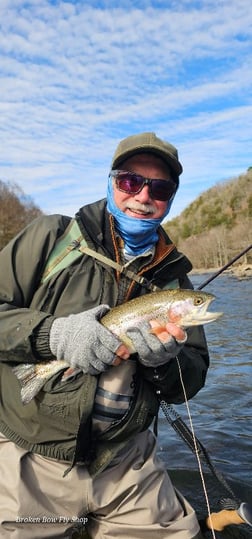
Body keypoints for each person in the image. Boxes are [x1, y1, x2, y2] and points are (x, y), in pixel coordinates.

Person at [0, 132, 209, 539]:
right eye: (131, 181)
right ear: (111, 182)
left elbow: (191, 380)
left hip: (129, 461)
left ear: (170, 199)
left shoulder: (174, 278)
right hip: (31, 454)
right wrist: (53, 335)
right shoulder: (50, 238)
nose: (143, 196)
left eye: (161, 188)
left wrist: (164, 361)